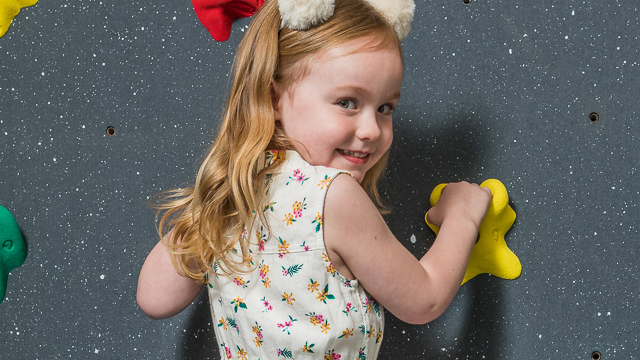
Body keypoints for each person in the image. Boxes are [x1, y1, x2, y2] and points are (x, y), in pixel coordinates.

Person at [137, 0, 492, 358]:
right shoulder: (333, 196)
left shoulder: (234, 195)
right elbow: (424, 299)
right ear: (274, 99)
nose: (372, 129)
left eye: (385, 108)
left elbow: (153, 298)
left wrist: (207, 210)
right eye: (348, 102)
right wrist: (462, 216)